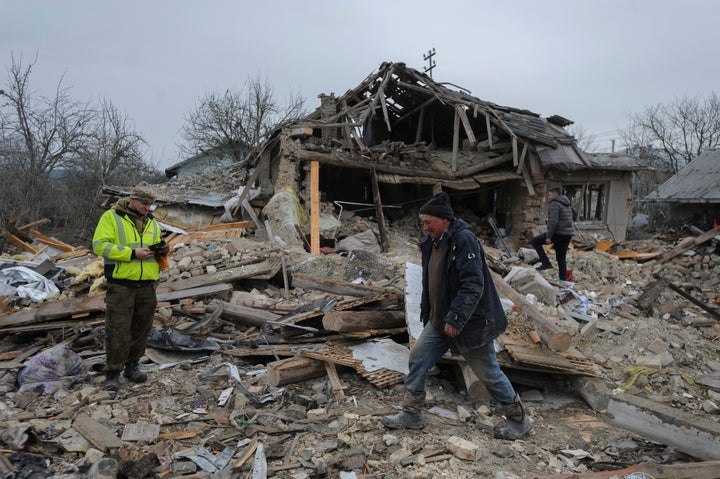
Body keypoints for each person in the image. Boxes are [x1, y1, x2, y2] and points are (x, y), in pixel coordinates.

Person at [382, 192, 532, 440]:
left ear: (444, 220)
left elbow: (473, 284)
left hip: (470, 322)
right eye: (423, 222)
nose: (425, 226)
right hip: (441, 320)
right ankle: (411, 414)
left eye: (429, 221)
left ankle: (518, 419)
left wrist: (457, 318)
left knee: (488, 373)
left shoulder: (464, 241)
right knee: (418, 358)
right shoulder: (432, 242)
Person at [92, 182, 166, 391]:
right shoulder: (111, 217)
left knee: (141, 328)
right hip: (121, 284)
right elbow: (99, 245)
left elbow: (157, 243)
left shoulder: (151, 221)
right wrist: (132, 254)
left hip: (147, 284)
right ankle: (113, 372)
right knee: (118, 329)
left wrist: (162, 248)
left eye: (150, 203)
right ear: (132, 199)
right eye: (144, 202)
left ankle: (132, 366)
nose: (147, 207)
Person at [531, 187, 574, 281]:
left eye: (550, 195)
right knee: (561, 258)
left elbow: (554, 222)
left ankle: (546, 263)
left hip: (558, 233)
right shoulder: (566, 203)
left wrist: (549, 236)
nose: (548, 197)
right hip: (567, 234)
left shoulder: (554, 203)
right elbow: (563, 218)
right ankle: (563, 281)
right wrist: (548, 221)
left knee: (535, 241)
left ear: (555, 194)